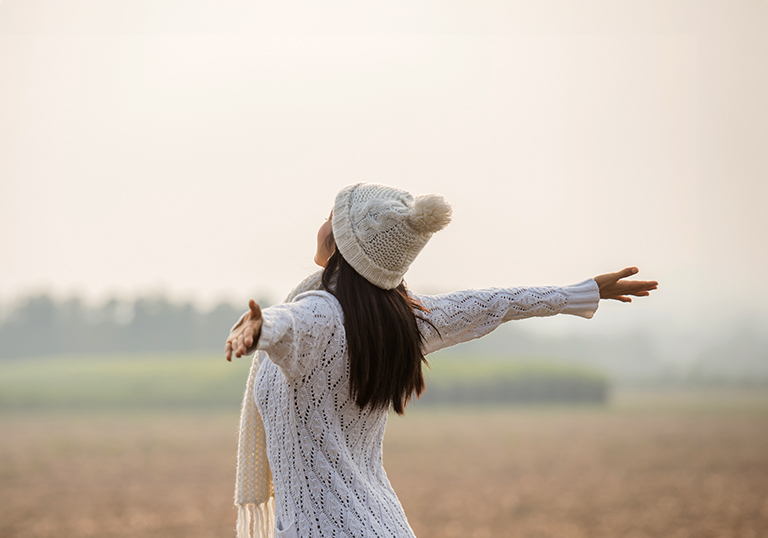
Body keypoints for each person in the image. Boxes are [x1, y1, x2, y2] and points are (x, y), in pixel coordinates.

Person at [225, 183, 658, 538]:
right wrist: (578, 293)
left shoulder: (318, 314)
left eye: (330, 216)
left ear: (336, 239)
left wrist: (259, 327)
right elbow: (494, 303)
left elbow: (292, 323)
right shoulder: (402, 321)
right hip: (383, 526)